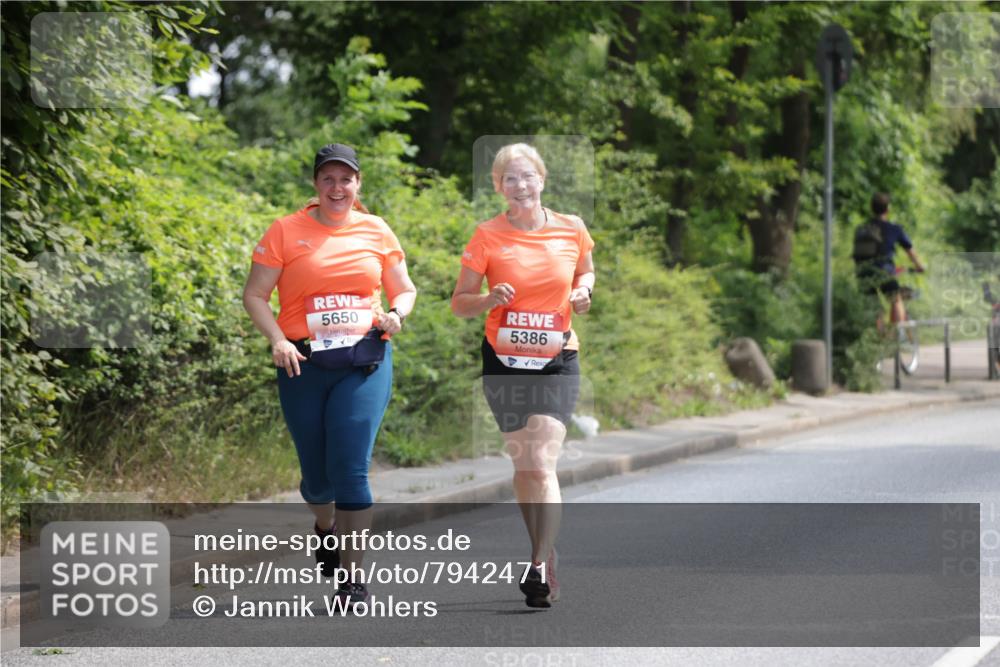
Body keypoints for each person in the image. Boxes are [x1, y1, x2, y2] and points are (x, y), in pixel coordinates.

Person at [242, 143, 417, 607]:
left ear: (358, 184)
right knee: (316, 480)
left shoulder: (376, 230)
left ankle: (352, 578)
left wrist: (397, 313)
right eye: (328, 179)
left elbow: (404, 289)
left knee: (351, 468)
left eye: (346, 179)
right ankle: (325, 526)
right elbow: (256, 295)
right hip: (302, 362)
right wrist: (278, 339)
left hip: (364, 360)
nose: (337, 188)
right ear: (316, 184)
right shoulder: (285, 231)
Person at [451, 143, 595, 608]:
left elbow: (586, 270)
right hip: (503, 359)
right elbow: (459, 303)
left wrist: (582, 291)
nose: (520, 185)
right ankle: (546, 548)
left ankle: (536, 564)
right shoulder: (486, 235)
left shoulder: (572, 228)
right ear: (498, 186)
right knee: (525, 466)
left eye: (527, 176)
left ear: (542, 180)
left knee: (543, 460)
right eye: (509, 178)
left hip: (556, 357)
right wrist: (489, 300)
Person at [853, 192, 925, 331]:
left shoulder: (861, 229)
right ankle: (898, 336)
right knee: (895, 299)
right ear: (887, 209)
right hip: (884, 271)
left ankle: (879, 341)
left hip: (863, 273)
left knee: (874, 307)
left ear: (872, 208)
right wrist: (919, 266)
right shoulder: (893, 228)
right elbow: (910, 251)